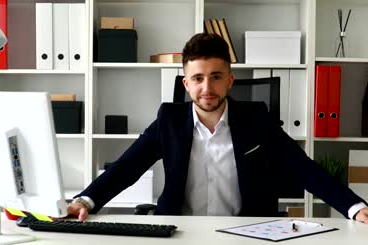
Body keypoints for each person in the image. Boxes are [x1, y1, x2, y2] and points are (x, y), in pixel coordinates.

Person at [68, 33, 368, 223]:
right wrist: (84, 200)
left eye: (216, 76)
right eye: (197, 78)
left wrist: (355, 207)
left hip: (246, 232)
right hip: (180, 232)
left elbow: (303, 168)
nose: (207, 87)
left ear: (230, 80)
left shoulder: (256, 119)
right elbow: (125, 167)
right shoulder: (168, 121)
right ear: (186, 84)